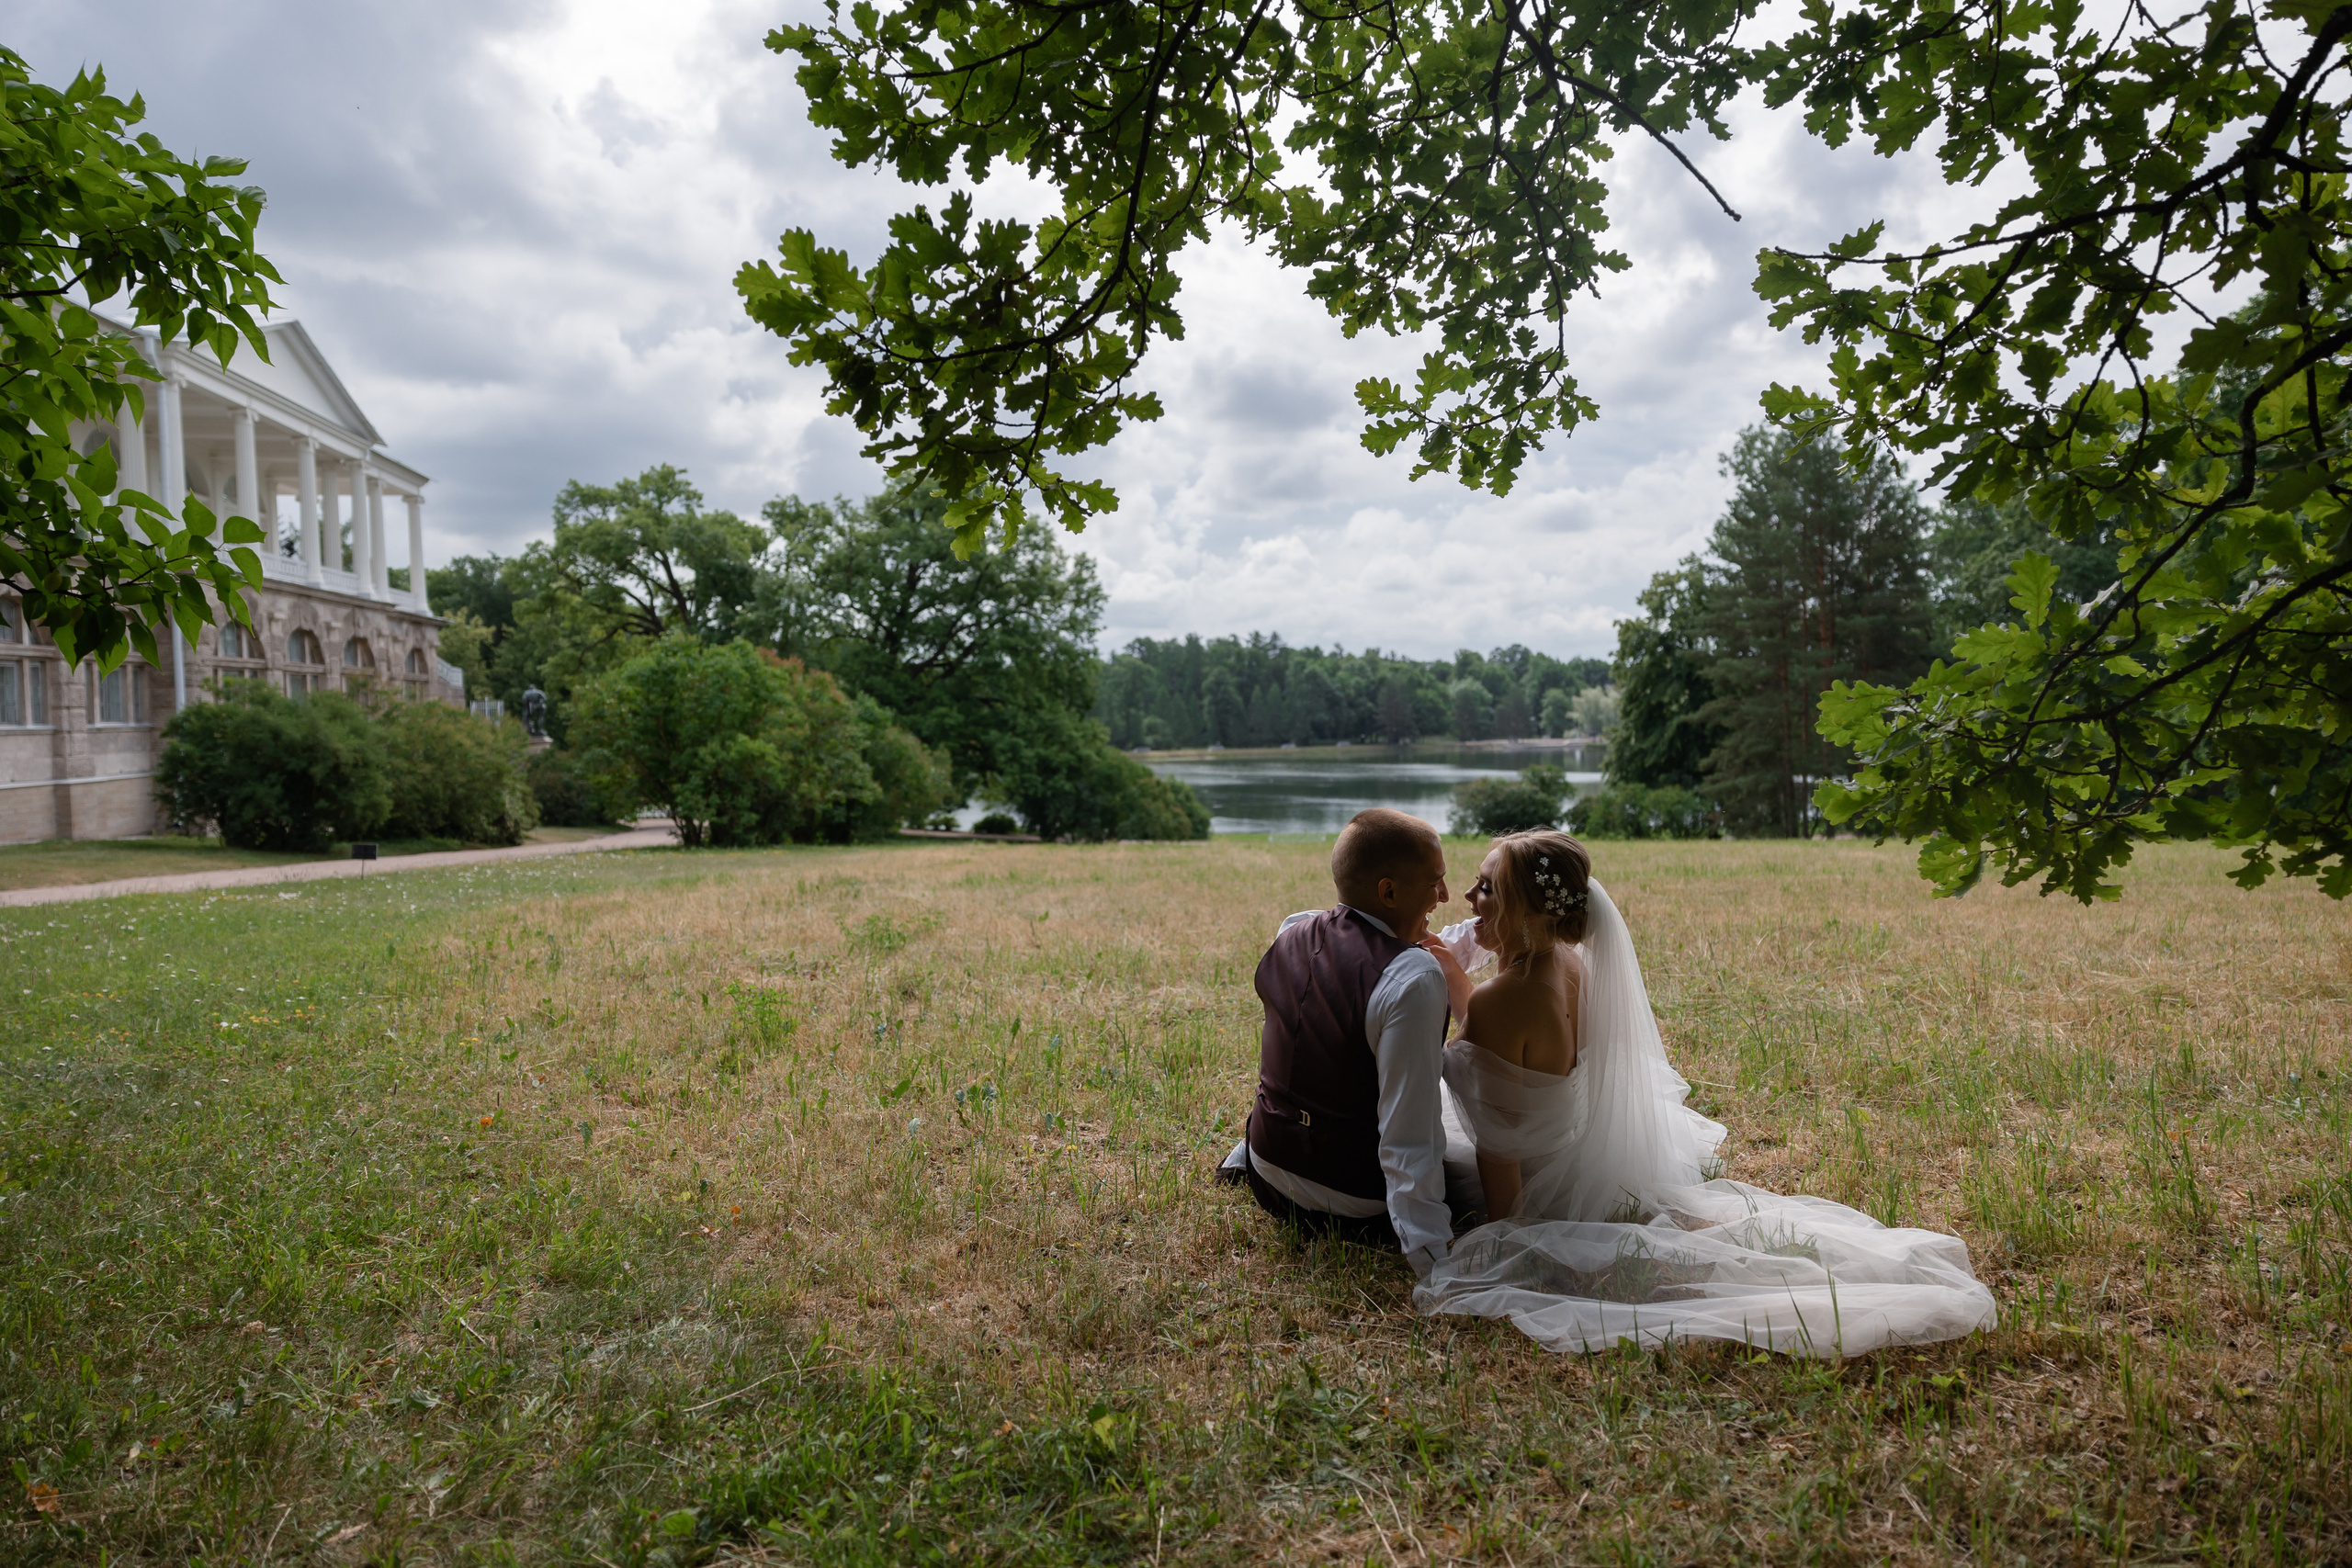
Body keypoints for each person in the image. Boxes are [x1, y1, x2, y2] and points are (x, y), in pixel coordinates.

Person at [1412, 829, 1997, 1357]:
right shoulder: (1571, 965)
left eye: (1487, 887)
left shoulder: (1500, 1002)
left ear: (1529, 909)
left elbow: (1498, 1147)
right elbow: (1522, 1056)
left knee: (1433, 1150)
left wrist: (1510, 1242)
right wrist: (1463, 986)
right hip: (1576, 1159)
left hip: (1531, 1183)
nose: (1468, 897)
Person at [1217, 808, 1456, 1277]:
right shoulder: (1415, 977)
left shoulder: (1293, 931)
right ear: (1388, 892)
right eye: (1435, 882)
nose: (1445, 896)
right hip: (1351, 1205)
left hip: (1266, 1174)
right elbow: (1411, 1139)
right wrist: (1434, 1262)